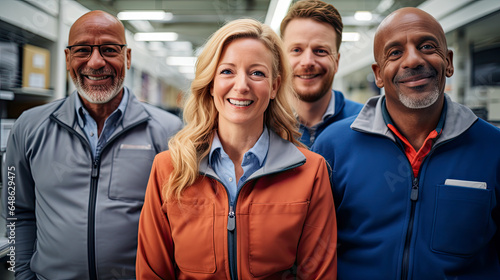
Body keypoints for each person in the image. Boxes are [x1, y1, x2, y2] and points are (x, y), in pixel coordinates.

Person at [136, 18, 337, 279]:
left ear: (274, 86)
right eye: (227, 71)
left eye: (257, 73)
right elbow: (153, 273)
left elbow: (318, 274)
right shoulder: (169, 169)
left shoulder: (310, 172)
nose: (241, 86)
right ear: (210, 83)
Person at [311, 7, 500, 279]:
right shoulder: (335, 146)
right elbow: (313, 249)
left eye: (426, 46)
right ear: (378, 74)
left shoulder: (492, 148)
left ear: (448, 61)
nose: (412, 60)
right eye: (395, 52)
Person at [3, 10, 182, 280]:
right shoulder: (29, 127)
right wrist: (21, 275)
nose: (96, 62)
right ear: (67, 58)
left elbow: (181, 223)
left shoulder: (169, 133)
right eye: (83, 50)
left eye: (109, 49)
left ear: (128, 57)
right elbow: (17, 210)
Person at [280, 0, 363, 147]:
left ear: (336, 62)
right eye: (296, 50)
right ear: (281, 59)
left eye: (320, 51)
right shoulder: (264, 125)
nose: (307, 62)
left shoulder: (365, 123)